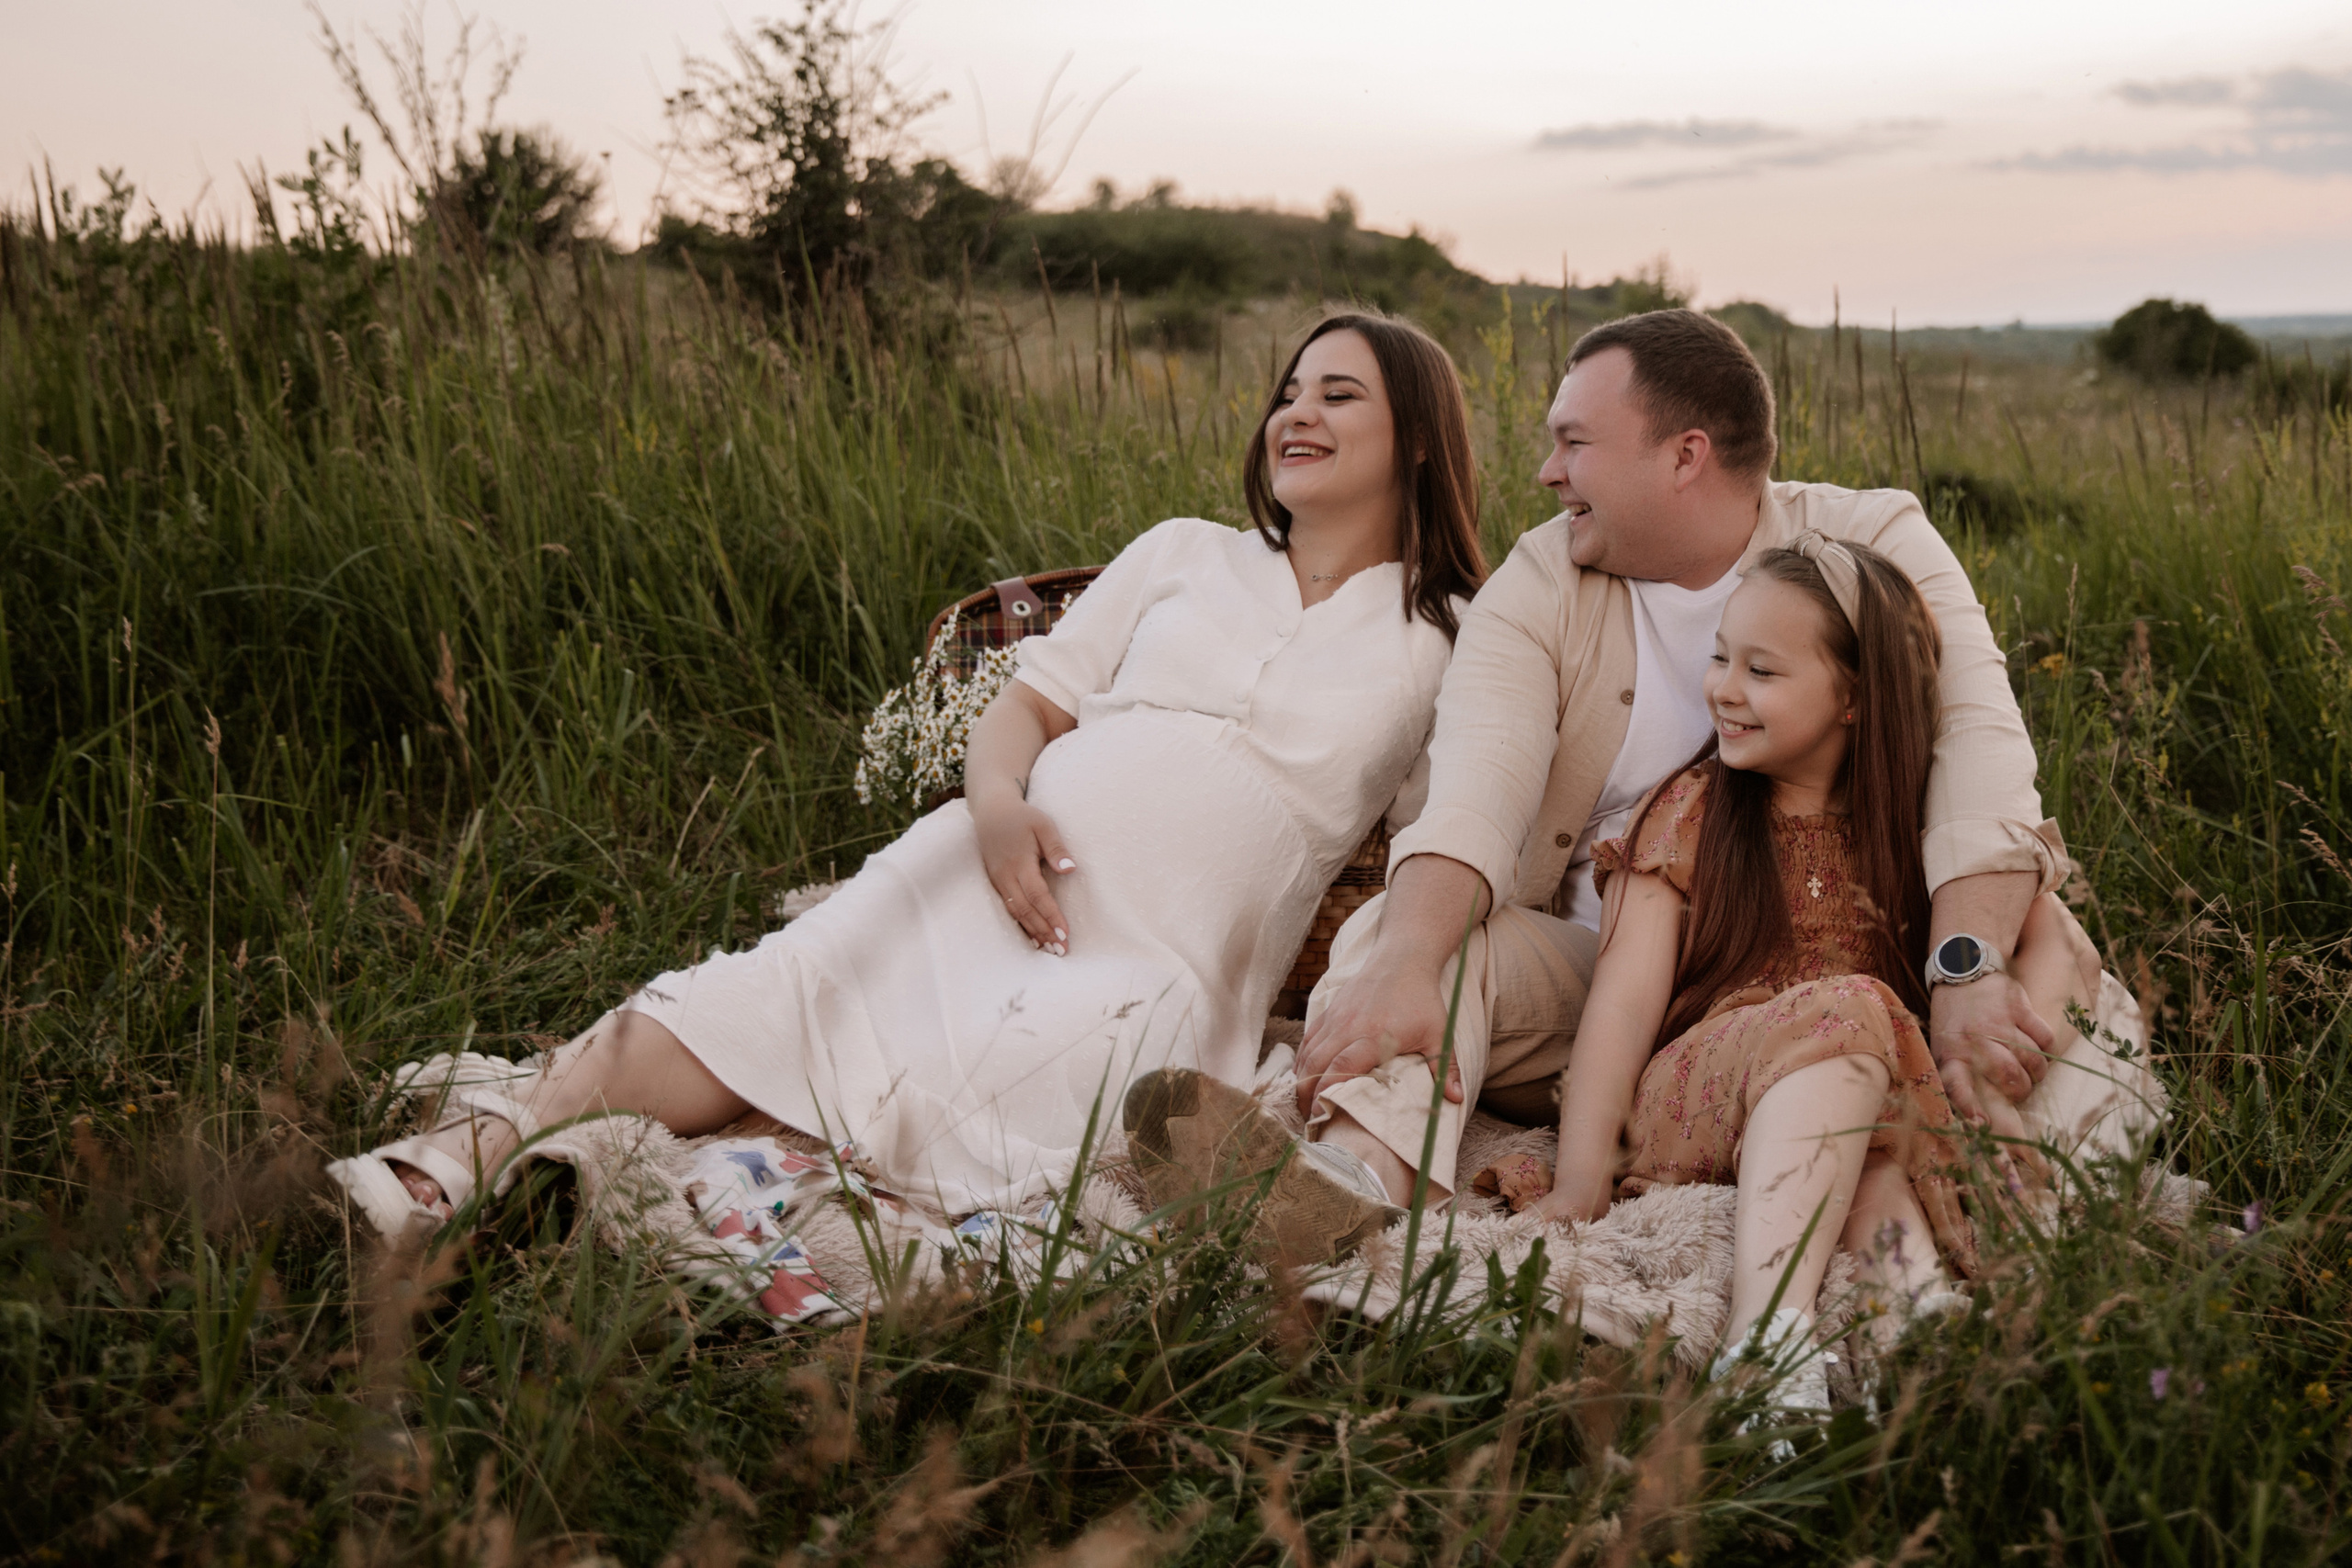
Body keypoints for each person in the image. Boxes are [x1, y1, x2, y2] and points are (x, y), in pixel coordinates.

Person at [326, 310, 1487, 1239]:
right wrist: (992, 814)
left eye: (1340, 395)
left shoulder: (1448, 640)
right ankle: (456, 1162)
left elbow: (1453, 838)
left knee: (1007, 1100)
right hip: (991, 865)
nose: (1297, 412)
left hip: (1169, 955)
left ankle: (763, 1174)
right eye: (1289, 389)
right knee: (772, 989)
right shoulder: (1184, 551)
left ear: (1421, 438)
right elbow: (1027, 703)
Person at [1270, 309, 2116, 1242]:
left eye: (1574, 443)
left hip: (1837, 977)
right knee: (1406, 936)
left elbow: (1980, 752)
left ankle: (2012, 1184)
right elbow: (1475, 789)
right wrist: (1402, 962)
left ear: (1684, 455)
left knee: (2049, 938)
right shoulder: (1541, 582)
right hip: (1602, 992)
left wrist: (1964, 968)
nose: (1548, 473)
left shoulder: (1868, 542)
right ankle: (1351, 1190)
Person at [1527, 536, 2047, 1416]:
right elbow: (1619, 1007)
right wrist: (1581, 1176)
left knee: (1882, 1156)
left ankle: (1919, 1361)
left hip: (1847, 1100)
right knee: (1856, 1008)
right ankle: (1764, 1341)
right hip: (1697, 1094)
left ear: (1853, 698)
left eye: (1761, 670)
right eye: (1722, 656)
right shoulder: (1694, 811)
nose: (1724, 687)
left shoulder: (1915, 833)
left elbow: (2055, 948)